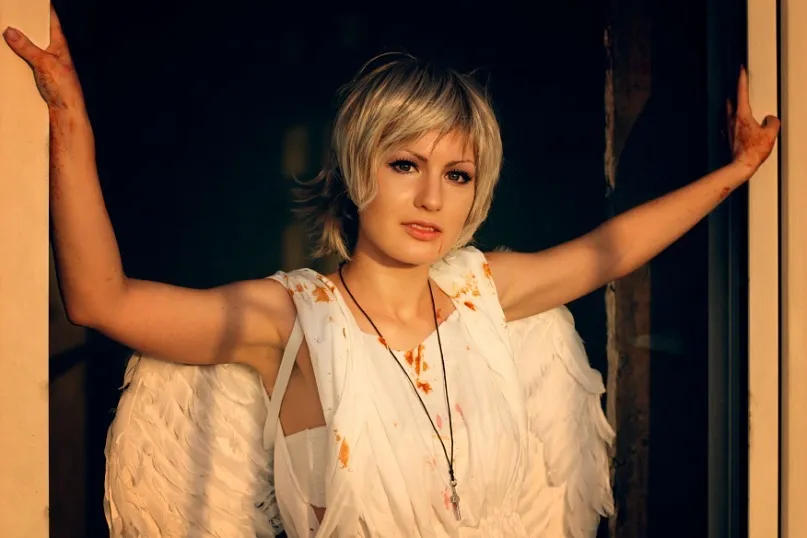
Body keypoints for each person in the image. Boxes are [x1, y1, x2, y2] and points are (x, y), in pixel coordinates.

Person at [4, 8, 779, 538]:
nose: (431, 198)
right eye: (405, 164)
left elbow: (611, 248)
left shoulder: (484, 292)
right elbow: (100, 300)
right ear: (356, 166)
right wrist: (68, 118)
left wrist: (735, 172)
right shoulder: (289, 319)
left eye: (458, 174)